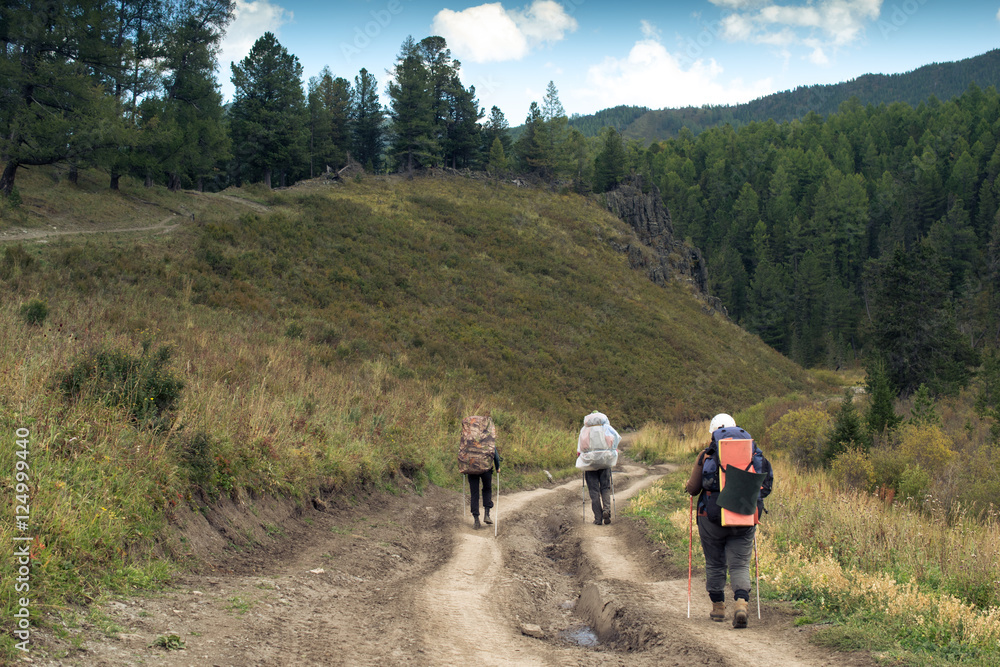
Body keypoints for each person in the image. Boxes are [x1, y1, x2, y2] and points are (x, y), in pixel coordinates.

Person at [685, 413, 773, 628]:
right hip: (744, 514)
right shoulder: (753, 452)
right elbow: (765, 486)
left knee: (715, 563)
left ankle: (718, 608)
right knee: (740, 564)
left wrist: (688, 486)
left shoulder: (706, 455)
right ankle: (741, 604)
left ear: (713, 433)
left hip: (711, 517)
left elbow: (693, 489)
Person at [576, 411, 620, 525]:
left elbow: (579, 450)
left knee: (593, 491)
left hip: (590, 463)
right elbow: (614, 442)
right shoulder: (606, 427)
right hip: (604, 461)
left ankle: (598, 518)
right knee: (605, 488)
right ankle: (606, 510)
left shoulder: (585, 429)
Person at [468, 447, 500, 530]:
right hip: (486, 468)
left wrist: (463, 467)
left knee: (474, 493)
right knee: (487, 489)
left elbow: (463, 452)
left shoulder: (469, 437)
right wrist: (497, 466)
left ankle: (476, 520)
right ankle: (487, 514)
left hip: (472, 467)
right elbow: (494, 452)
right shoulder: (487, 435)